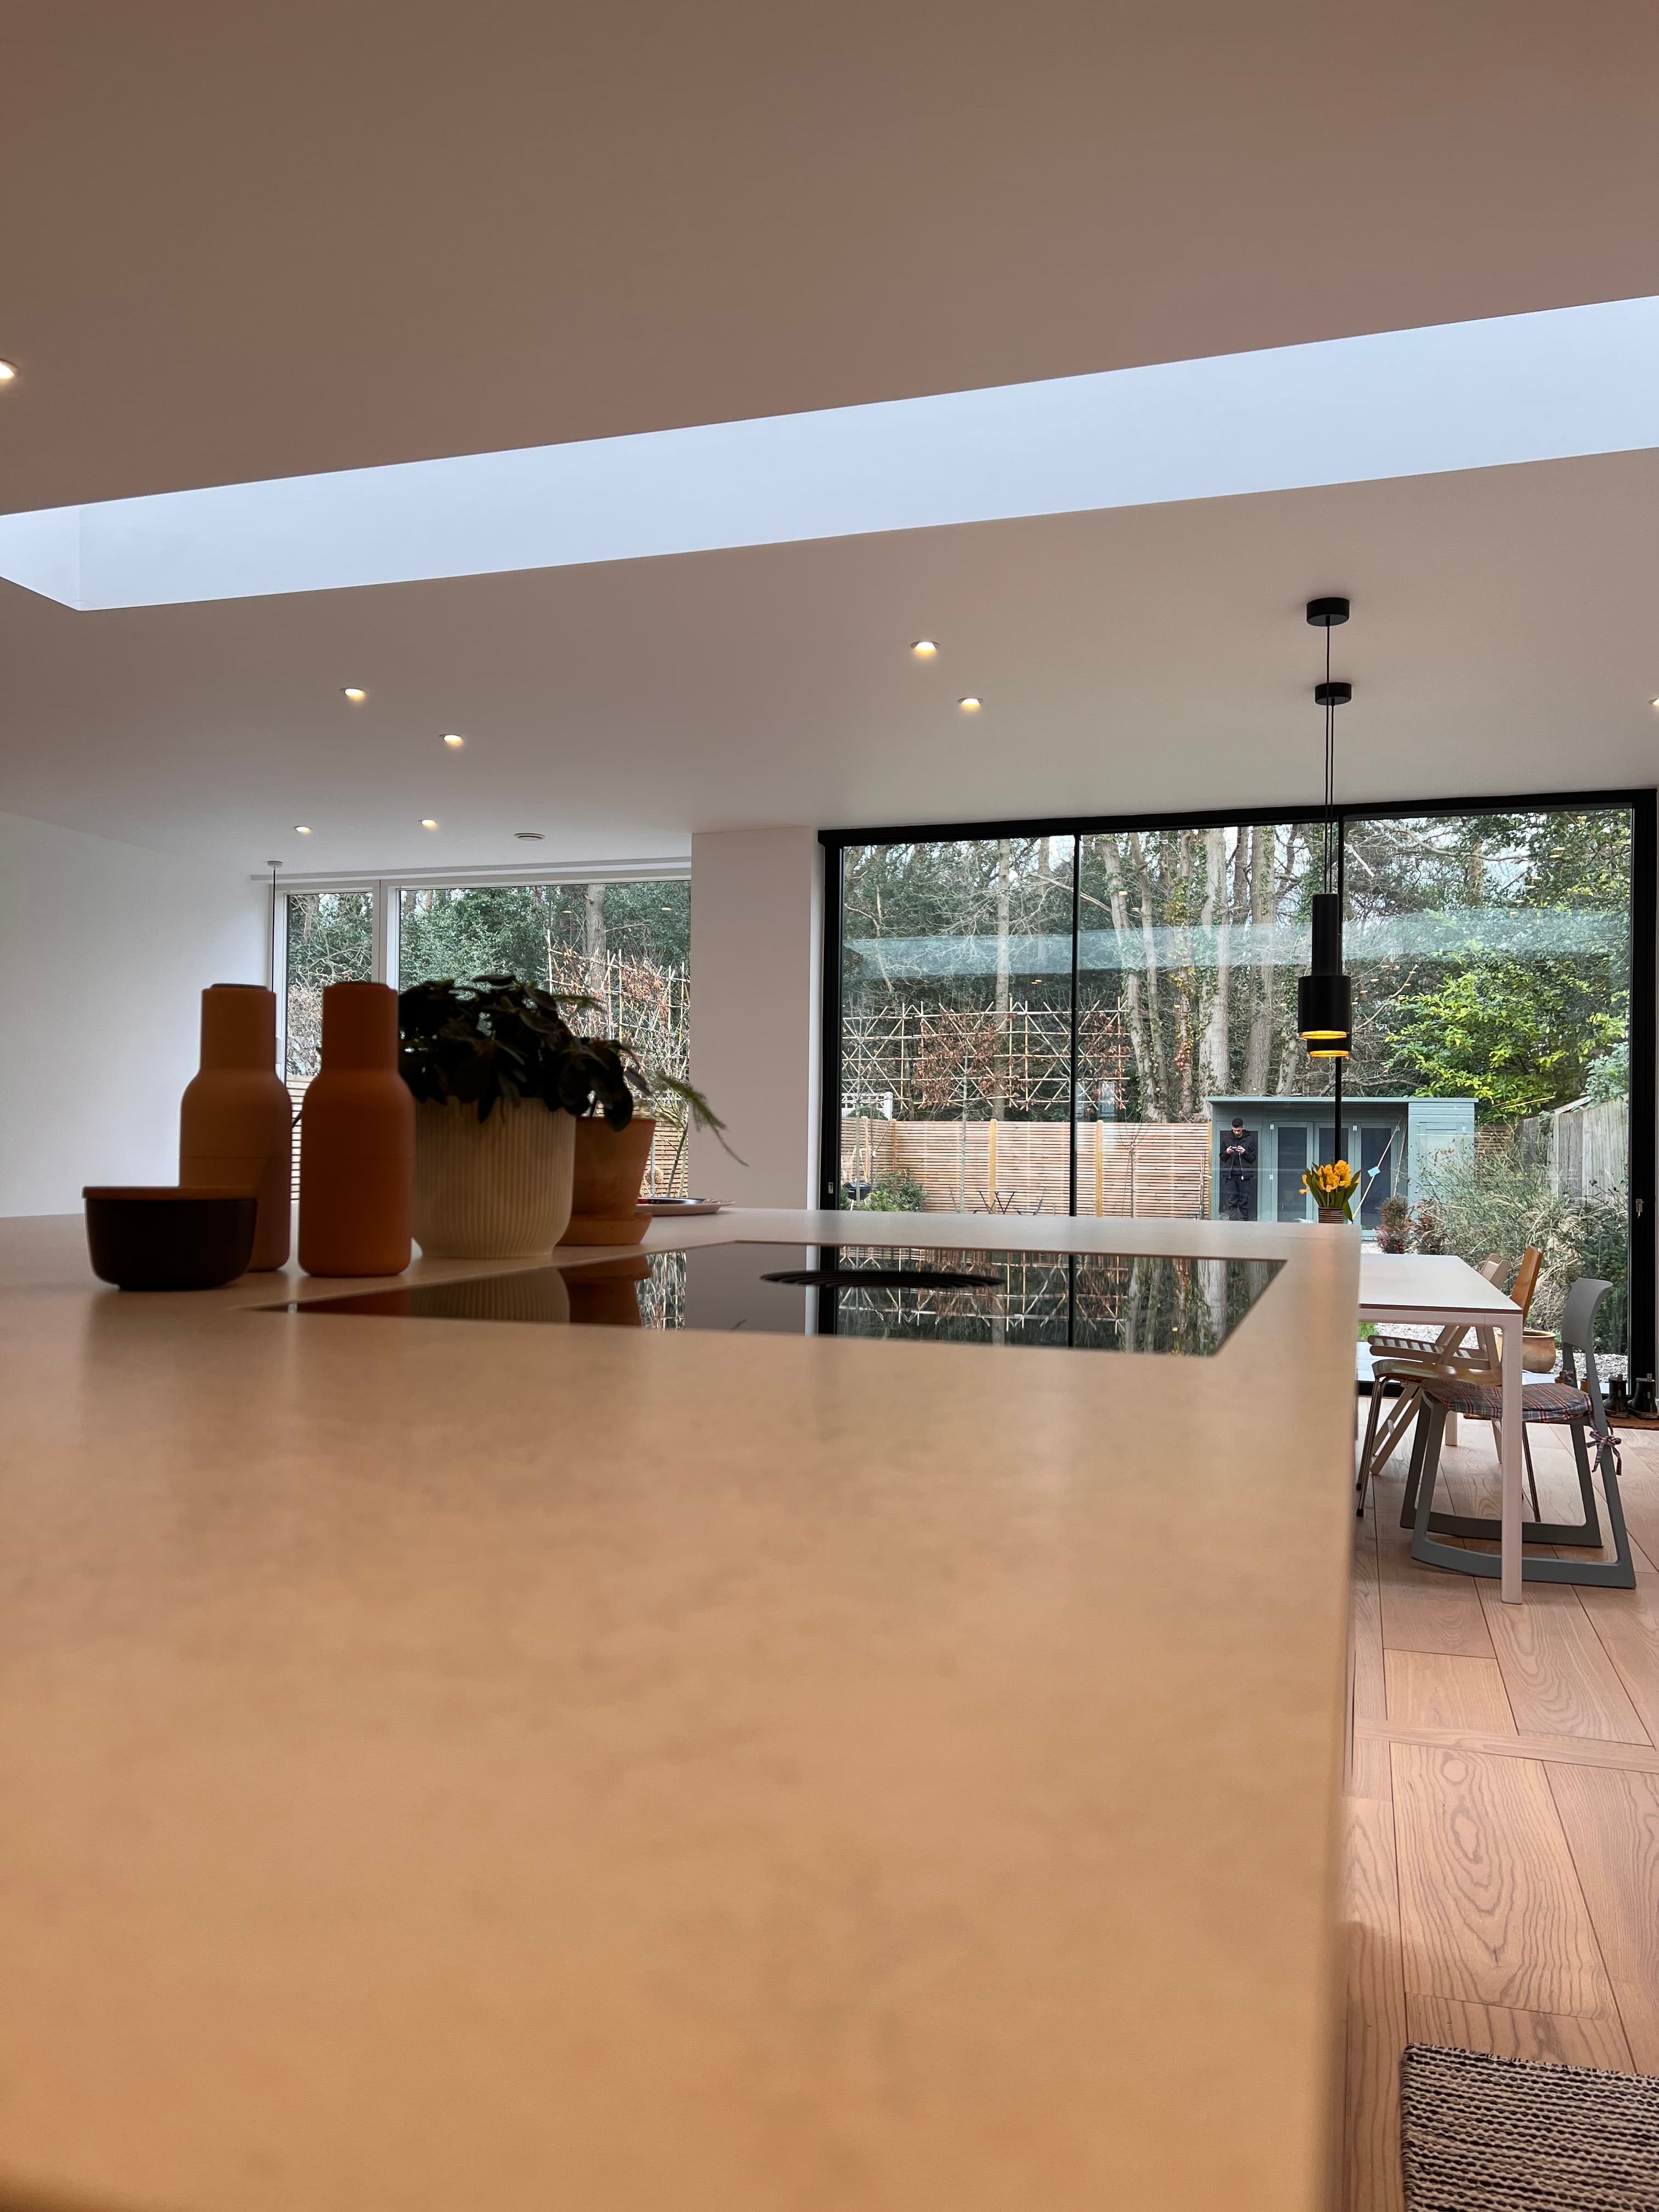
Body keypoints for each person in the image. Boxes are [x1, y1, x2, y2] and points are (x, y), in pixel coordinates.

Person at [1220, 1115, 1257, 1221]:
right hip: (1230, 1175)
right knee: (1232, 1200)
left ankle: (1245, 1222)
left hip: (1244, 1176)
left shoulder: (1249, 1139)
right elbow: (1222, 1157)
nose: (1237, 1132)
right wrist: (1227, 1152)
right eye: (1235, 1130)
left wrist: (1244, 1153)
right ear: (1232, 1128)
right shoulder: (1226, 1139)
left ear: (1243, 1128)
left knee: (1244, 1200)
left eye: (1239, 1130)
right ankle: (1232, 1222)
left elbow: (1253, 1158)